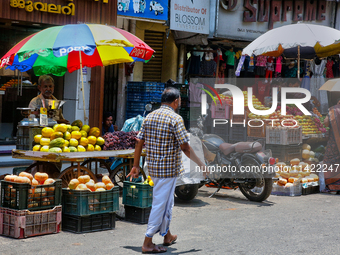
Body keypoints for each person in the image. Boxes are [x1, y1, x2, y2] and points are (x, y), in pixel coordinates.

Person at [127, 87, 206, 254]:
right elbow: (185, 147)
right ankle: (147, 242)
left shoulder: (150, 116)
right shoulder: (175, 119)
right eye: (180, 101)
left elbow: (138, 142)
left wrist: (135, 166)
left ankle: (167, 236)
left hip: (154, 169)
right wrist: (200, 164)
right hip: (168, 171)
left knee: (167, 202)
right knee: (160, 205)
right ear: (176, 101)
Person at [323, 98, 340, 193]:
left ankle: (334, 187)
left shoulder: (334, 110)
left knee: (329, 162)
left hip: (335, 143)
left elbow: (326, 122)